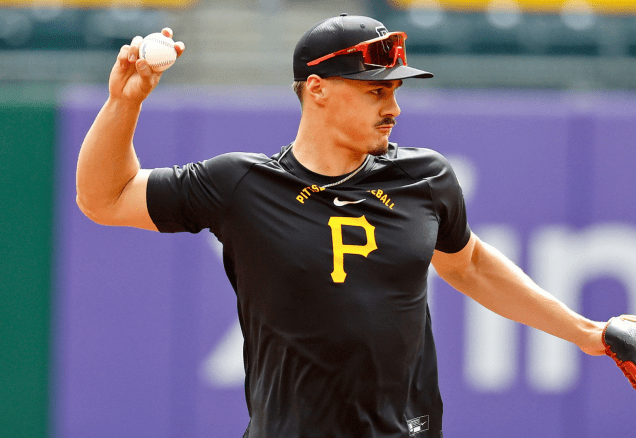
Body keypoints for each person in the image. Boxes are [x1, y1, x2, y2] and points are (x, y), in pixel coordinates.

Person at [76, 14, 607, 438]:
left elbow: (469, 265)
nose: (393, 106)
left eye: (395, 90)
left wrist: (588, 334)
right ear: (317, 88)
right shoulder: (240, 184)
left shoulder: (424, 178)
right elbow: (105, 198)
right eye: (375, 90)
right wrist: (126, 102)